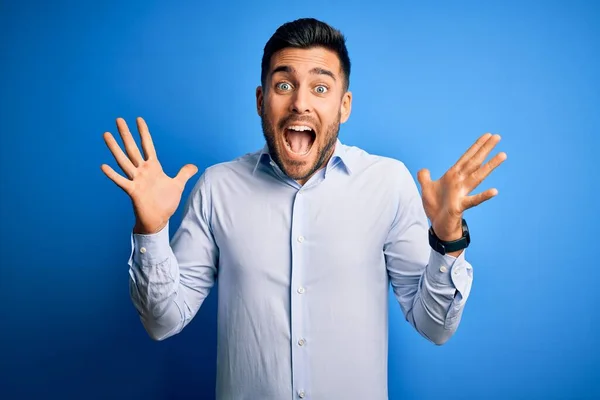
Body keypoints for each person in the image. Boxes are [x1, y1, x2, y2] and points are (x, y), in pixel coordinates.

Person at [101, 17, 506, 400]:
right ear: (261, 100)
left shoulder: (387, 183)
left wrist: (448, 237)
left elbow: (434, 326)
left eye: (320, 88)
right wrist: (151, 230)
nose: (299, 103)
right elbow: (162, 321)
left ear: (344, 106)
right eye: (283, 86)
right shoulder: (217, 188)